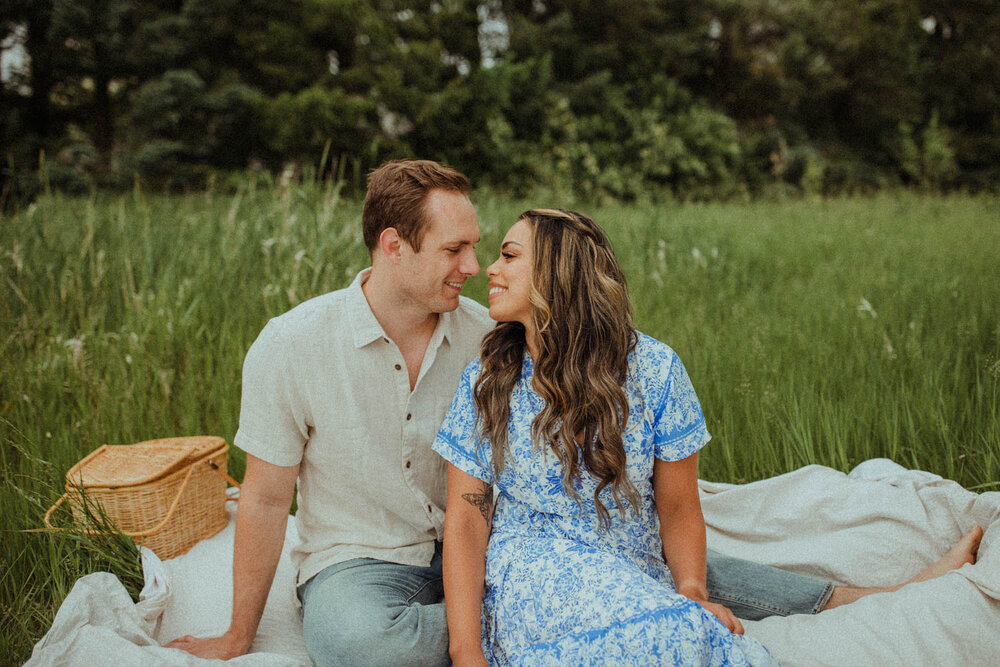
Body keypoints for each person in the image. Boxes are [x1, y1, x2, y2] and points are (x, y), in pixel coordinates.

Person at [167, 160, 981, 665]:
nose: (475, 264)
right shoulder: (293, 343)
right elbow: (268, 498)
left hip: (527, 543)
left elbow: (592, 360)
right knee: (355, 642)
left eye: (485, 247)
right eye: (454, 250)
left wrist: (656, 566)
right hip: (376, 555)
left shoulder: (497, 333)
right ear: (392, 246)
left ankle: (877, 592)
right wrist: (240, 634)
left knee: (657, 561)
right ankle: (543, 614)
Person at [434, 208, 778, 664]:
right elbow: (465, 521)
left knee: (691, 630)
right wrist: (466, 653)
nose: (490, 269)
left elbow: (677, 506)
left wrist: (691, 590)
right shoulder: (489, 379)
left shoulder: (655, 370)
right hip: (532, 576)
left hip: (633, 572)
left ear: (557, 271)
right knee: (689, 639)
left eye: (509, 256)